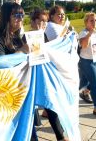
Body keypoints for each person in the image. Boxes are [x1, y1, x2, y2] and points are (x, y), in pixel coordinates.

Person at [29, 8, 68, 141]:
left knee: (51, 104)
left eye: (46, 21)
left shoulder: (44, 35)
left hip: (43, 76)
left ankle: (60, 136)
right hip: (32, 79)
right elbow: (35, 54)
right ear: (33, 22)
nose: (44, 24)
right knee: (30, 113)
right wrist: (38, 33)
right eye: (41, 20)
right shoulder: (28, 35)